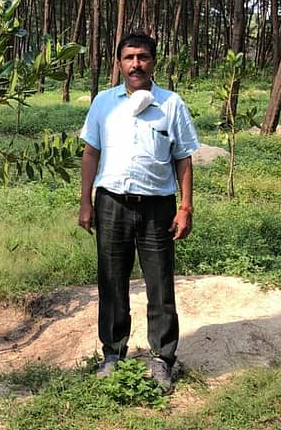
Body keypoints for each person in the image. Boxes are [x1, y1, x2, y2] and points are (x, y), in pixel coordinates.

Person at [78, 31, 199, 393]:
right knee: (112, 280)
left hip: (157, 207)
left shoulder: (171, 104)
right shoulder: (103, 103)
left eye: (143, 57)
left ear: (153, 62)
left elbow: (183, 157)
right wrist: (85, 201)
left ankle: (162, 358)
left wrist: (186, 206)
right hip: (111, 202)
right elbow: (91, 153)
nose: (136, 64)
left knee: (160, 283)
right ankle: (113, 353)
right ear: (119, 63)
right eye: (129, 57)